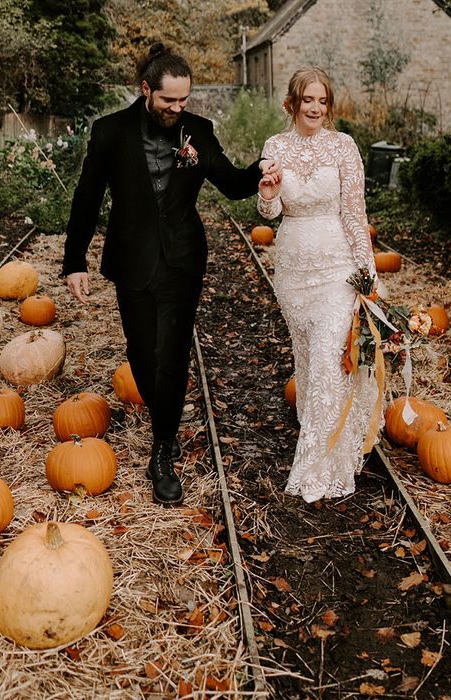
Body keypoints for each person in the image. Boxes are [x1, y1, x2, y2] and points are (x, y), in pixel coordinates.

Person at [63, 42, 275, 506]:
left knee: (173, 351)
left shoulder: (197, 131)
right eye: (168, 101)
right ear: (145, 90)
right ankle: (166, 419)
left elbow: (231, 183)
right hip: (132, 257)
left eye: (184, 100)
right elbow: (87, 197)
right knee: (142, 352)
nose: (178, 109)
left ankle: (162, 451)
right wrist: (74, 261)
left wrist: (261, 170)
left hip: (182, 259)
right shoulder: (110, 132)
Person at [257, 66, 379, 502]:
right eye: (307, 100)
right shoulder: (275, 146)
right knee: (309, 362)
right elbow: (268, 214)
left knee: (331, 357)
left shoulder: (344, 147)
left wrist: (367, 275)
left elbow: (354, 214)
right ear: (292, 103)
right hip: (292, 271)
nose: (315, 108)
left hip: (336, 270)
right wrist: (269, 194)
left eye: (322, 101)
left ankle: (322, 464)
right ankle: (323, 433)